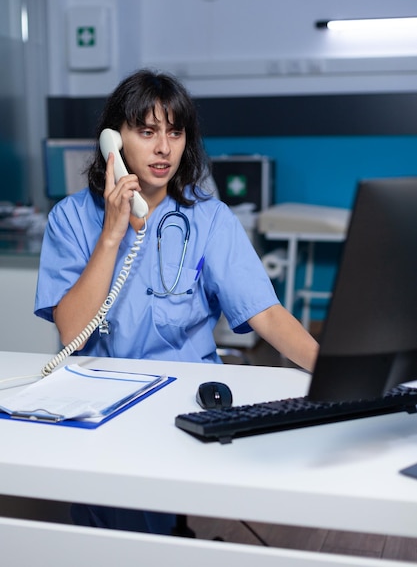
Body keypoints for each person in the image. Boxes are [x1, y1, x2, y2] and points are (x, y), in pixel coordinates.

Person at [35, 68, 319, 534]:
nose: (163, 147)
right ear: (115, 139)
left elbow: (264, 312)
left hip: (186, 394)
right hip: (101, 399)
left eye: (175, 132)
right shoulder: (71, 218)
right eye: (146, 132)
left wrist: (335, 374)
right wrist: (112, 233)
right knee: (112, 524)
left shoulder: (209, 218)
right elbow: (71, 330)